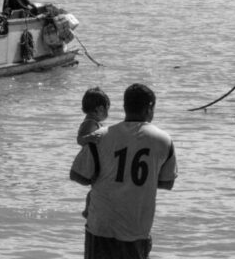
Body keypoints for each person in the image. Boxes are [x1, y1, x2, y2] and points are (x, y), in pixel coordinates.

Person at [70, 83, 178, 259]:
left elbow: (77, 175)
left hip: (100, 227)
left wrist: (106, 177)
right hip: (136, 228)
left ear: (125, 106)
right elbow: (167, 182)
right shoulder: (164, 140)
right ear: (149, 107)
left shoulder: (100, 136)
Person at [77, 87, 111, 218]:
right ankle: (88, 210)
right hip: (91, 161)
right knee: (95, 188)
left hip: (94, 160)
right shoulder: (90, 123)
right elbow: (80, 140)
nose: (108, 112)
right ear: (100, 109)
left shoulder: (93, 122)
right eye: (108, 108)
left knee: (95, 187)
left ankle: (89, 209)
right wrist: (89, 138)